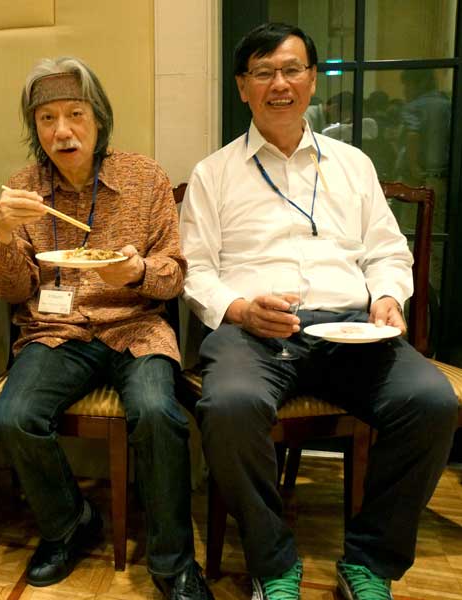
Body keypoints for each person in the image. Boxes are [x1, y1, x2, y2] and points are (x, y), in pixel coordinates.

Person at [179, 22, 457, 600]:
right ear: (242, 86)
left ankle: (370, 563)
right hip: (251, 334)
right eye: (263, 72)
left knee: (431, 402)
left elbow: (387, 250)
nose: (279, 84)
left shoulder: (352, 164)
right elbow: (197, 271)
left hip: (351, 329)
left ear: (311, 79)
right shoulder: (214, 173)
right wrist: (239, 308)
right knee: (227, 406)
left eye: (291, 70)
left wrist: (386, 295)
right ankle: (274, 563)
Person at [0, 57, 213, 599]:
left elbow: (174, 276)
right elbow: (13, 291)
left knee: (160, 413)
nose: (61, 131)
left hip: (135, 326)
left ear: (99, 118)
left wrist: (136, 270)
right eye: (46, 119)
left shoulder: (144, 178)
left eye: (75, 114)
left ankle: (173, 562)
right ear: (35, 128)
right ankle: (70, 524)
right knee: (11, 416)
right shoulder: (24, 189)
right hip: (55, 331)